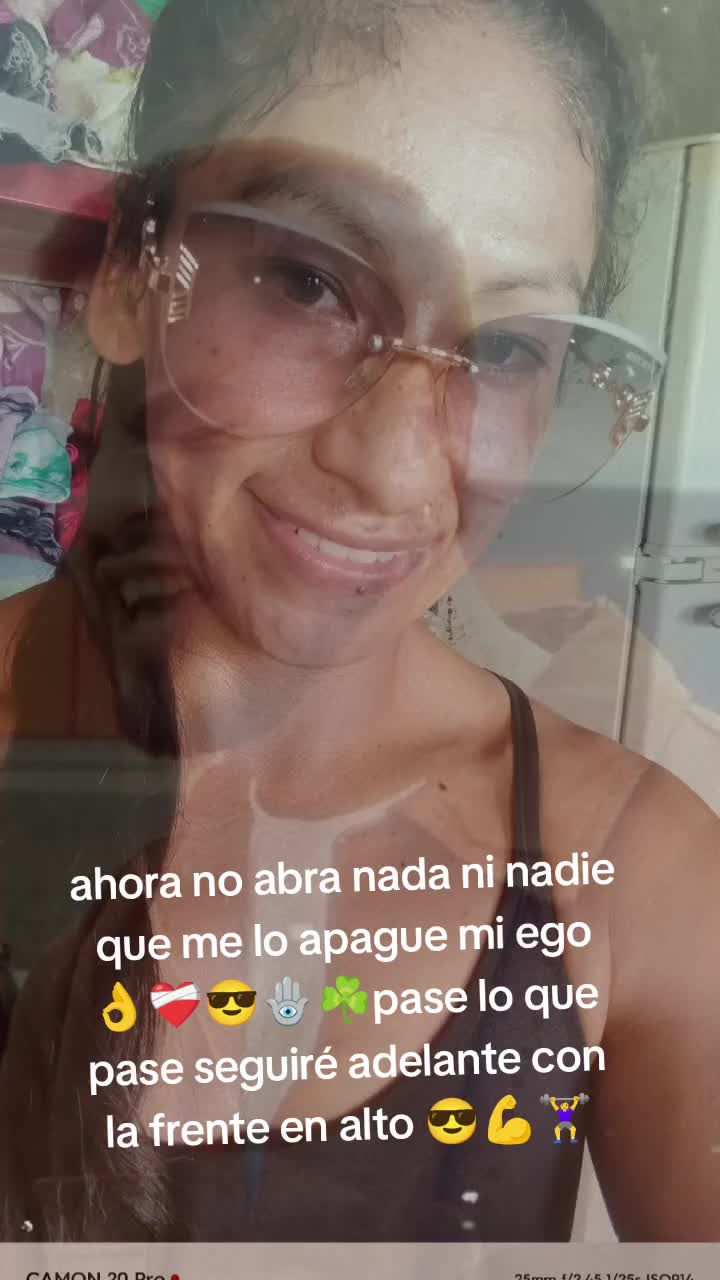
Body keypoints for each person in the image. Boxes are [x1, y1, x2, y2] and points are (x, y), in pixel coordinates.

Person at [0, 0, 718, 1246]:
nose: (394, 470)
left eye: (503, 347)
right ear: (127, 281)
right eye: (306, 282)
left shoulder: (639, 867)